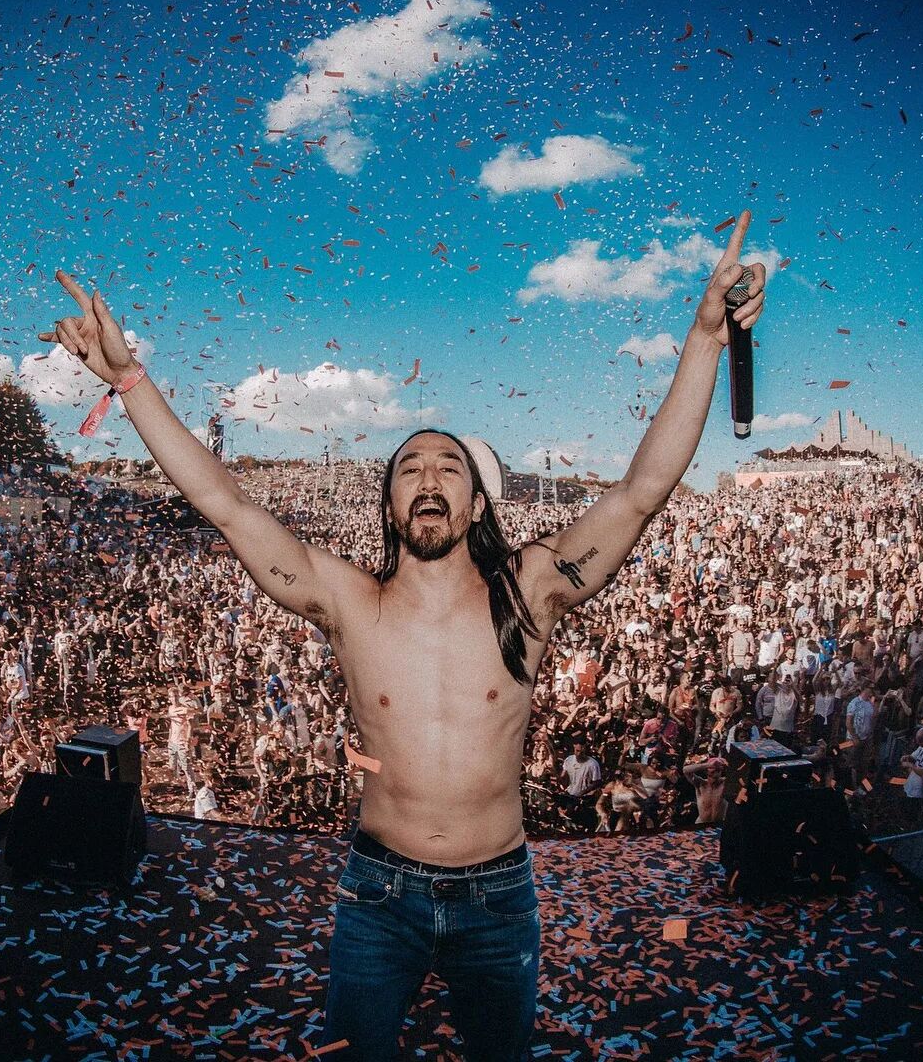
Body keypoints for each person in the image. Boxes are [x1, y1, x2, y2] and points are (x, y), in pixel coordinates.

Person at [40, 211, 766, 1060]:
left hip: (500, 896)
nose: (428, 478)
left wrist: (705, 337)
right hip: (378, 895)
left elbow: (641, 491)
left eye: (447, 467)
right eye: (409, 469)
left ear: (476, 503)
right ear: (390, 507)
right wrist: (129, 380)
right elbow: (226, 505)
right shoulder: (351, 602)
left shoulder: (529, 593)